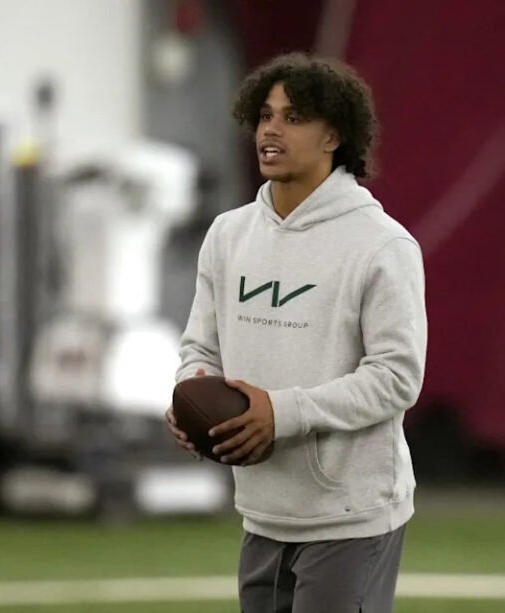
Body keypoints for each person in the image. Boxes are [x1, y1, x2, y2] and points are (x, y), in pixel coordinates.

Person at [165, 52, 427, 613]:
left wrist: (280, 413)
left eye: (293, 117)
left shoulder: (382, 245)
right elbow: (200, 348)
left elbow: (396, 378)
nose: (271, 130)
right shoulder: (228, 234)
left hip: (350, 516)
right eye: (265, 115)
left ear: (334, 135)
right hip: (262, 511)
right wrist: (192, 395)